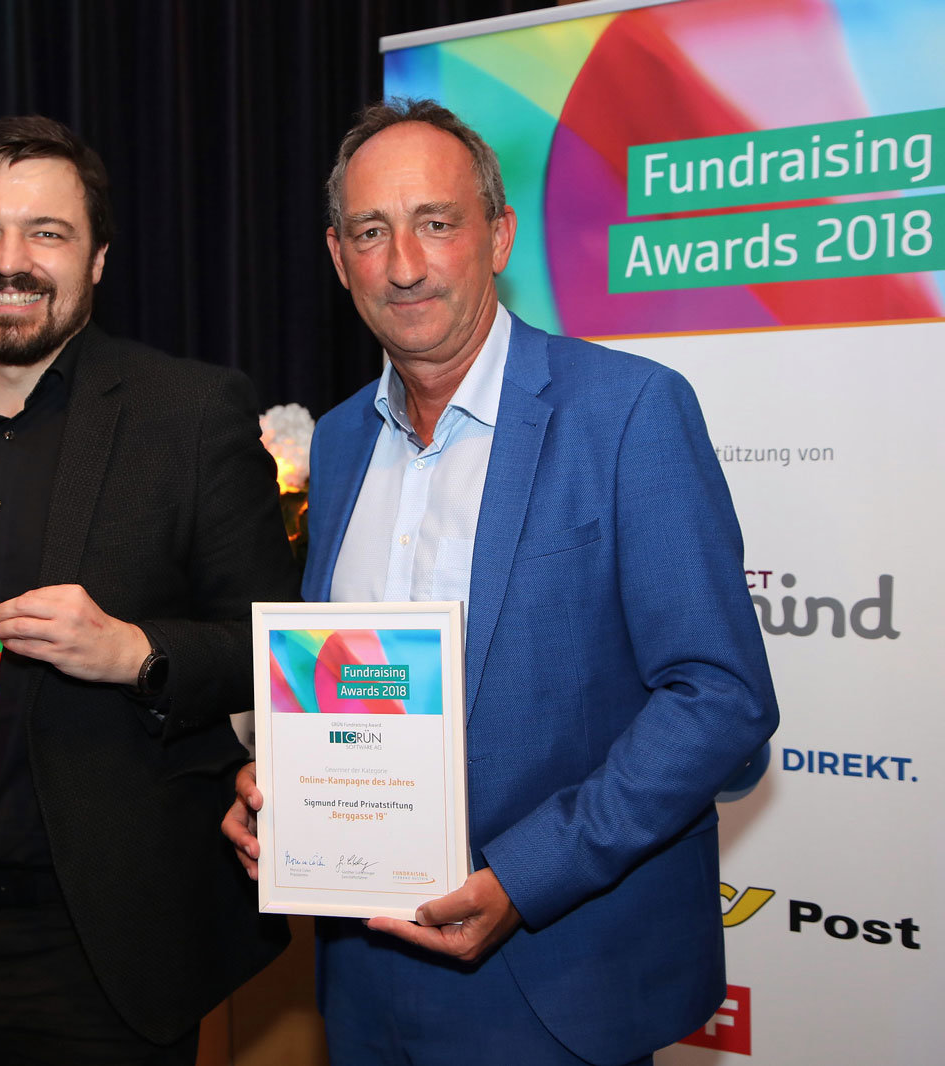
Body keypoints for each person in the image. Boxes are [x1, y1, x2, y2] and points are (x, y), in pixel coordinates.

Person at [222, 98, 779, 1066]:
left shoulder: (628, 412)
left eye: (435, 222)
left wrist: (524, 877)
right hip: (363, 979)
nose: (403, 263)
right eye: (370, 231)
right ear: (335, 252)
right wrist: (284, 785)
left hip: (556, 974)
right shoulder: (344, 438)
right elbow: (346, 677)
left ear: (498, 235)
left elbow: (719, 697)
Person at [0, 115, 297, 1065]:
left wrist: (136, 653)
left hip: (107, 953)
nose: (9, 260)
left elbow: (271, 645)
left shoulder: (192, 412)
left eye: (47, 232)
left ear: (99, 259)